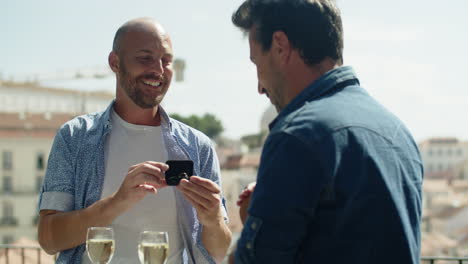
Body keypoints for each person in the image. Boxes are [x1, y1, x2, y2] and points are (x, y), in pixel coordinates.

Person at [230, 0, 423, 263]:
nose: (260, 87)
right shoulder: (397, 132)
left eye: (256, 63)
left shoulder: (298, 135)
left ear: (279, 45)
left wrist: (255, 221)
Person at [37, 17, 232, 264]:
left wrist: (212, 220)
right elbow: (48, 239)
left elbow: (219, 249)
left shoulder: (198, 146)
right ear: (114, 62)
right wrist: (118, 202)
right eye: (145, 58)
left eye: (166, 61)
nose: (159, 70)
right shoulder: (75, 137)